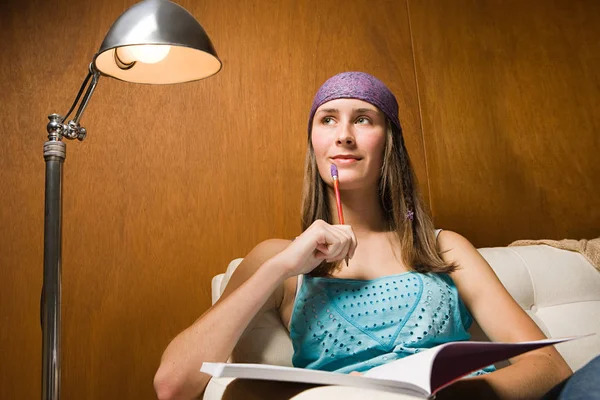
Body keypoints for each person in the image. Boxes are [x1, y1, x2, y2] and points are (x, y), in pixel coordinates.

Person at [153, 72, 573, 400]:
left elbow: (549, 365)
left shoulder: (443, 246)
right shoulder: (277, 258)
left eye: (363, 119)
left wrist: (465, 395)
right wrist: (284, 265)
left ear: (389, 143)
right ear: (314, 142)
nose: (344, 135)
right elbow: (173, 385)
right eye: (328, 119)